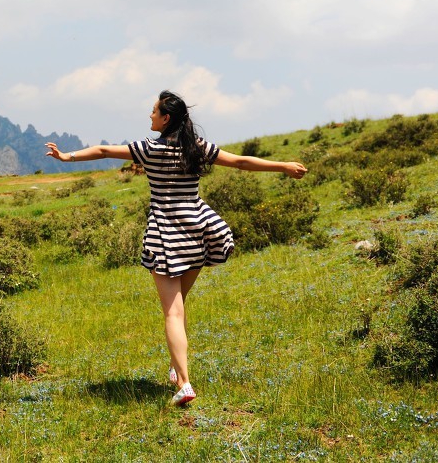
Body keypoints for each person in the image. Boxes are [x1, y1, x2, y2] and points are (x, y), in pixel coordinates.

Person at [45, 90, 307, 406]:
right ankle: (175, 367)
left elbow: (102, 150)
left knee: (172, 311)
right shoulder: (198, 148)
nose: (150, 116)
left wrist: (66, 157)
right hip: (199, 227)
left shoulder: (149, 149)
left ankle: (184, 383)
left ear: (166, 119)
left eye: (153, 112)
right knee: (179, 305)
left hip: (167, 231)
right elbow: (239, 161)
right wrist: (283, 166)